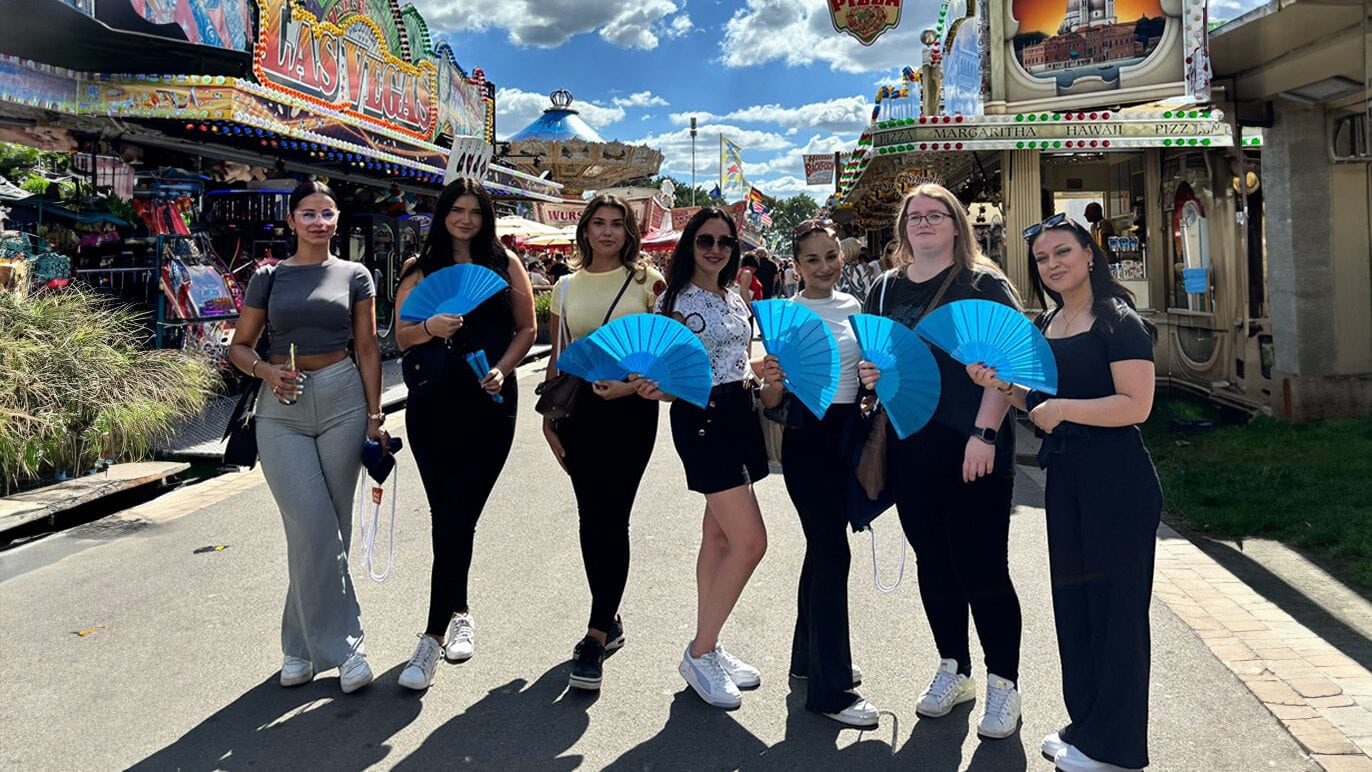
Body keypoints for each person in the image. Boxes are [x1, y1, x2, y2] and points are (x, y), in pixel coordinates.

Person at [969, 213, 1161, 772]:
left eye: (1063, 252)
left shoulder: (1118, 321)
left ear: (1089, 254)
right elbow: (1042, 405)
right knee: (1075, 608)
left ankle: (1116, 748)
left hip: (1117, 483)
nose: (1052, 264)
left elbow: (1136, 406)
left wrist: (1061, 409)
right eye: (1042, 258)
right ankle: (1087, 726)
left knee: (1117, 614)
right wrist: (1003, 386)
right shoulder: (1051, 320)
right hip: (1069, 479)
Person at [858, 183, 1024, 739]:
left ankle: (1005, 684)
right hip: (911, 442)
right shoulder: (883, 288)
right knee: (934, 560)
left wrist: (984, 432)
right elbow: (877, 358)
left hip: (973, 439)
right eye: (915, 216)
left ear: (957, 225)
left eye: (936, 215)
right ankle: (954, 667)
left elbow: (1009, 363)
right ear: (903, 228)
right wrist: (871, 375)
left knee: (982, 565)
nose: (924, 223)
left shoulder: (985, 283)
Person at [227, 180, 384, 694]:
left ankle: (298, 647)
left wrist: (375, 415)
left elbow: (366, 348)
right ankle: (348, 647)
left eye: (327, 213)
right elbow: (239, 347)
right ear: (292, 220)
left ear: (338, 220)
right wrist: (266, 374)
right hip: (281, 404)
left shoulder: (356, 274)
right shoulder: (268, 278)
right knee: (311, 524)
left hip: (343, 397)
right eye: (308, 213)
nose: (319, 222)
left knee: (328, 528)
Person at [391, 178, 536, 690]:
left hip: (490, 403)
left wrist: (504, 367)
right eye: (458, 209)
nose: (466, 219)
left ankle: (429, 638)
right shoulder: (419, 269)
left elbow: (527, 329)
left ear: (486, 216)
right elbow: (400, 335)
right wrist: (431, 327)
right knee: (446, 517)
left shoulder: (506, 264)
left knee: (458, 514)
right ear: (443, 214)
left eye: (476, 211)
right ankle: (461, 610)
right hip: (432, 406)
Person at [635, 207, 769, 710]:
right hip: (704, 419)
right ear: (689, 244)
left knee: (717, 536)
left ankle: (708, 639)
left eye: (725, 242)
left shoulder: (733, 296)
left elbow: (731, 357)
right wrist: (654, 389)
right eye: (706, 240)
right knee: (751, 542)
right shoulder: (674, 302)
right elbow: (672, 376)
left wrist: (759, 366)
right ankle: (700, 650)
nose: (716, 249)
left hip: (739, 411)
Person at [757, 219, 877, 728]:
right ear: (796, 265)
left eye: (831, 256)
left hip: (849, 436)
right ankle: (830, 693)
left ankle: (808, 660)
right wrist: (772, 382)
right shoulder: (786, 315)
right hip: (808, 439)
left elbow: (869, 377)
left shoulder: (857, 308)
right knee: (832, 552)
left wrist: (874, 376)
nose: (825, 266)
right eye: (812, 259)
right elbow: (770, 402)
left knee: (821, 549)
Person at [542, 194, 665, 691]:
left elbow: (664, 352)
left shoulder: (647, 283)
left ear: (629, 231)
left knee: (612, 515)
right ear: (585, 230)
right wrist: (549, 419)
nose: (608, 232)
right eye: (599, 223)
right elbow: (559, 355)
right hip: (581, 412)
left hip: (632, 411)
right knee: (591, 517)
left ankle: (596, 631)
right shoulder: (565, 285)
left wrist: (632, 386)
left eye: (618, 224)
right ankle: (608, 619)